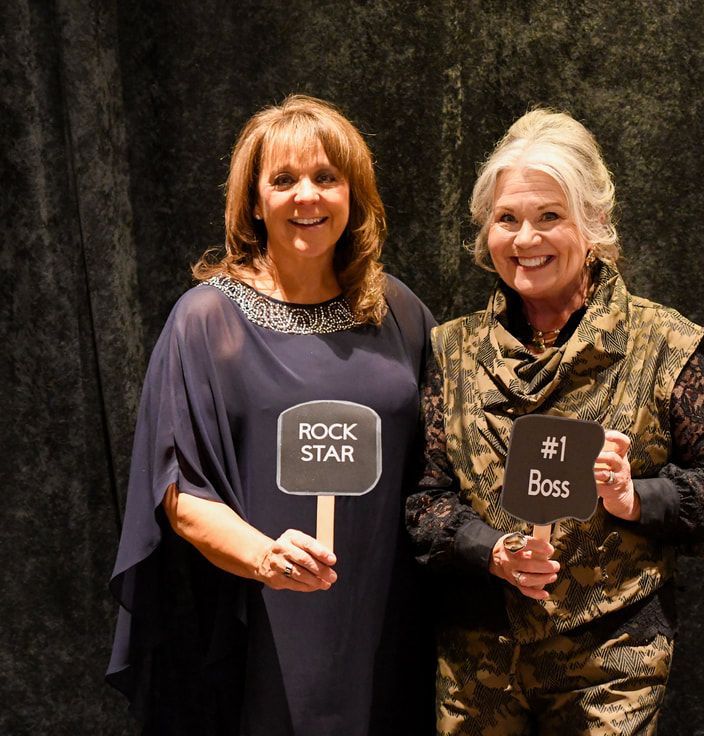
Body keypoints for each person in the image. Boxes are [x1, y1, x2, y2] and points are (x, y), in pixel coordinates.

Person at [406, 108, 704, 735]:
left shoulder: (660, 342)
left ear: (593, 225)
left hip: (612, 660)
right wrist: (493, 551)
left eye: (549, 217)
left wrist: (631, 497)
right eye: (507, 219)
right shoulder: (450, 349)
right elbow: (426, 501)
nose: (525, 239)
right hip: (478, 660)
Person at [107, 95, 435, 736]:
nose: (307, 196)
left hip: (387, 616)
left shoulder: (399, 311)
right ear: (255, 202)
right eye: (284, 180)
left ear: (352, 193)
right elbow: (178, 492)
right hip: (260, 621)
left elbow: (449, 458)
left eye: (326, 177)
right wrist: (265, 558)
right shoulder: (207, 322)